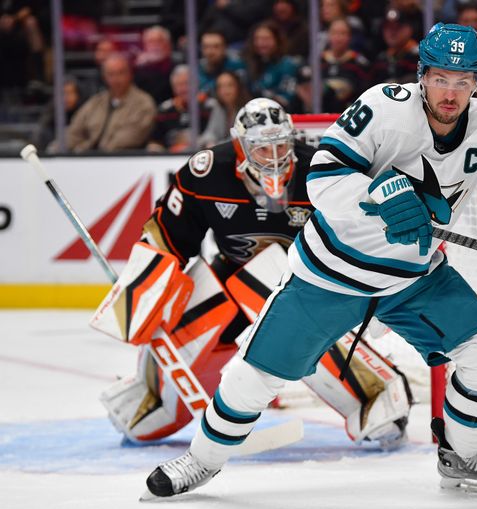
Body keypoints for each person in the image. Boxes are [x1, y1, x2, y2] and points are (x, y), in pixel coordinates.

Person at [143, 23, 477, 499]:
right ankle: (201, 460)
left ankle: (462, 456)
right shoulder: (383, 106)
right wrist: (380, 195)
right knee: (252, 376)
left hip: (414, 278)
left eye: (464, 81)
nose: (451, 92)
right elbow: (323, 174)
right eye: (441, 78)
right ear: (422, 75)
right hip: (331, 273)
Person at [97, 97, 412, 455]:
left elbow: (365, 235)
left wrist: (376, 292)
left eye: (281, 144)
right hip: (231, 278)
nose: (275, 156)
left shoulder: (322, 169)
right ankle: (153, 394)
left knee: (273, 276)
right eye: (263, 148)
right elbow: (168, 238)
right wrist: (143, 290)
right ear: (241, 145)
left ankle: (374, 392)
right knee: (145, 419)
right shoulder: (207, 172)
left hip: (314, 285)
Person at [66, 54, 157, 153]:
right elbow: (74, 131)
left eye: (120, 73)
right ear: (104, 77)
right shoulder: (96, 102)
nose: (116, 79)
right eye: (111, 74)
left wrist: (96, 152)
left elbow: (131, 137)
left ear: (130, 74)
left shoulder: (143, 103)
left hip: (122, 159)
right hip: (88, 158)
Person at [147, 64, 227, 152]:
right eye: (179, 85)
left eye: (186, 83)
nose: (183, 89)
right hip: (171, 159)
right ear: (173, 88)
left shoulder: (212, 107)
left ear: (196, 83)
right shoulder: (165, 110)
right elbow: (155, 141)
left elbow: (218, 137)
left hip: (203, 157)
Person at [242, 21, 298, 109]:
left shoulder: (287, 64)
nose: (260, 43)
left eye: (266, 39)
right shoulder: (248, 63)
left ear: (277, 40)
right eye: (257, 39)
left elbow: (286, 99)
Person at [197, 30, 247, 97]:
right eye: (206, 47)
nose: (210, 52)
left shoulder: (237, 66)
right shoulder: (198, 68)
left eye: (216, 47)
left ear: (225, 47)